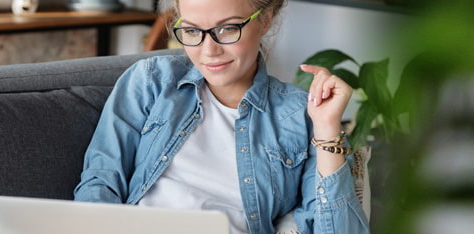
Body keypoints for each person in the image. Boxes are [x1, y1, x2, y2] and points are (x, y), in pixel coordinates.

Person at [72, 0, 370, 232]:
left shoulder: (300, 115)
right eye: (191, 31)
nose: (208, 50)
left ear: (264, 20)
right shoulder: (150, 82)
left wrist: (328, 128)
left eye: (227, 29)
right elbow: (101, 181)